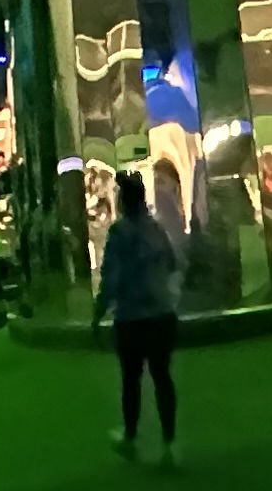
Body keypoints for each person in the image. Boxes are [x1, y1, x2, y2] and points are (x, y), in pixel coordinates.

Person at [94, 168, 183, 466]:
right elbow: (172, 263)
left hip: (132, 317)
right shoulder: (156, 229)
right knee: (162, 377)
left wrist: (98, 313)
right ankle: (169, 443)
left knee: (131, 379)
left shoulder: (120, 233)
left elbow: (111, 279)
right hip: (161, 313)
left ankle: (130, 437)